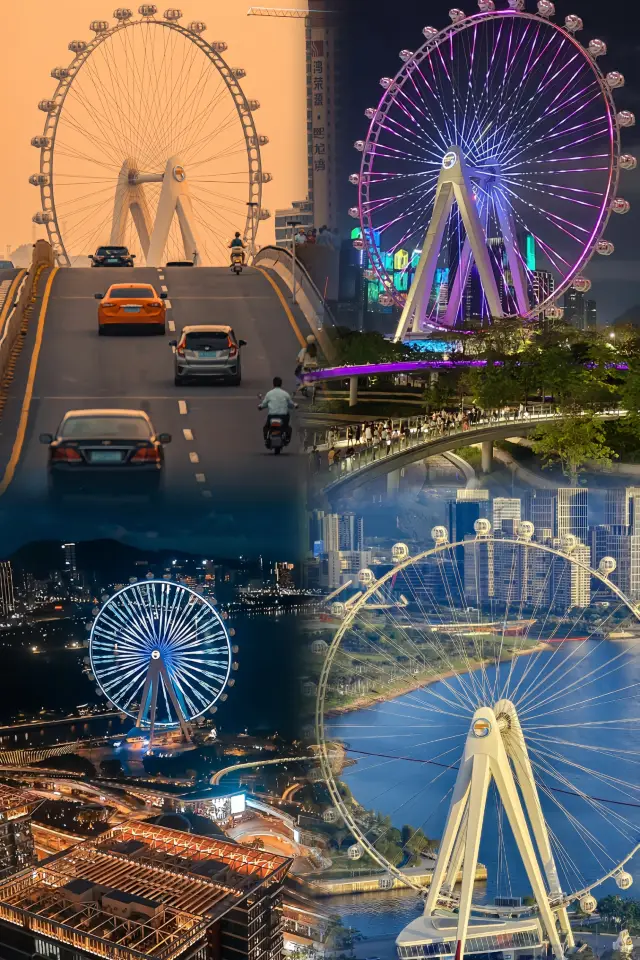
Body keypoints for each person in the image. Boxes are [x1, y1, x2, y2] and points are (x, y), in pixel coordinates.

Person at [258, 376, 296, 444]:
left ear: (273, 384)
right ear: (281, 384)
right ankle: (287, 438)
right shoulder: (285, 394)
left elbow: (263, 404)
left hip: (272, 416)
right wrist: (295, 405)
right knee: (287, 426)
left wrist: (260, 407)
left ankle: (266, 439)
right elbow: (291, 404)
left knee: (266, 427)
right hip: (283, 417)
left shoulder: (269, 394)